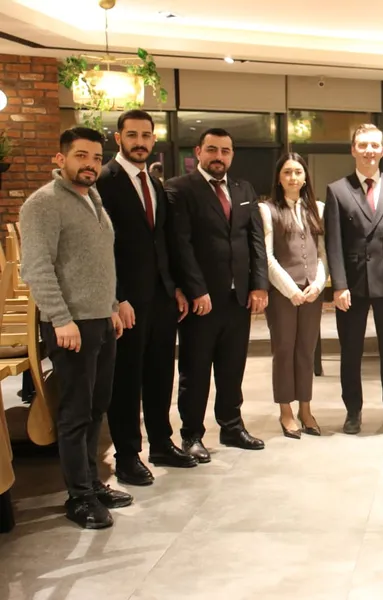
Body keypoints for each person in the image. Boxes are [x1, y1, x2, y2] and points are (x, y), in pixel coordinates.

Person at [19, 127, 130, 529]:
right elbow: (36, 267)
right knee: (75, 413)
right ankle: (79, 497)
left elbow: (100, 264)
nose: (90, 165)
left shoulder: (92, 199)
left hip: (100, 321)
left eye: (97, 158)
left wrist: (111, 306)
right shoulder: (43, 203)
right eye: (81, 156)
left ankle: (92, 483)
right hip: (71, 326)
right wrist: (60, 318)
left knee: (97, 408)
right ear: (60, 158)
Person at [96, 109, 196, 487]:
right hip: (127, 301)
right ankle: (126, 456)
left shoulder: (154, 182)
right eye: (132, 135)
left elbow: (162, 242)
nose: (139, 142)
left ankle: (161, 443)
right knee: (126, 380)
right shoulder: (104, 180)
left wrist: (175, 287)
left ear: (154, 139)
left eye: (145, 135)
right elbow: (102, 247)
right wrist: (117, 297)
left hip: (161, 296)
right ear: (118, 138)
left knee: (159, 373)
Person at [166, 128, 269, 462]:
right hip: (202, 301)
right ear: (198, 152)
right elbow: (180, 245)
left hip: (238, 298)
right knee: (195, 372)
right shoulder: (180, 189)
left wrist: (259, 284)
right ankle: (192, 435)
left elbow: (255, 239)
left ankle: (231, 426)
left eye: (225, 151)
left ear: (232, 155)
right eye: (212, 149)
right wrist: (196, 290)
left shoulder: (243, 189)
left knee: (232, 368)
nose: (218, 157)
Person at [324, 124, 383, 434]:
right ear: (353, 150)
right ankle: (353, 411)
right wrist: (339, 285)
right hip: (353, 285)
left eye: (375, 145)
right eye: (363, 145)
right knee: (351, 353)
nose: (369, 151)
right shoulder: (338, 190)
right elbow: (333, 243)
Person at [260, 153, 327, 438]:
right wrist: (290, 290)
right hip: (282, 295)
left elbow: (323, 253)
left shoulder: (318, 209)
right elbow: (267, 257)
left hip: (312, 292)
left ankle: (306, 408)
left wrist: (319, 285)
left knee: (306, 350)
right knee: (284, 350)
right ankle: (286, 410)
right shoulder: (267, 210)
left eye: (298, 172)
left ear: (305, 177)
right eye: (287, 172)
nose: (293, 177)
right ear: (278, 177)